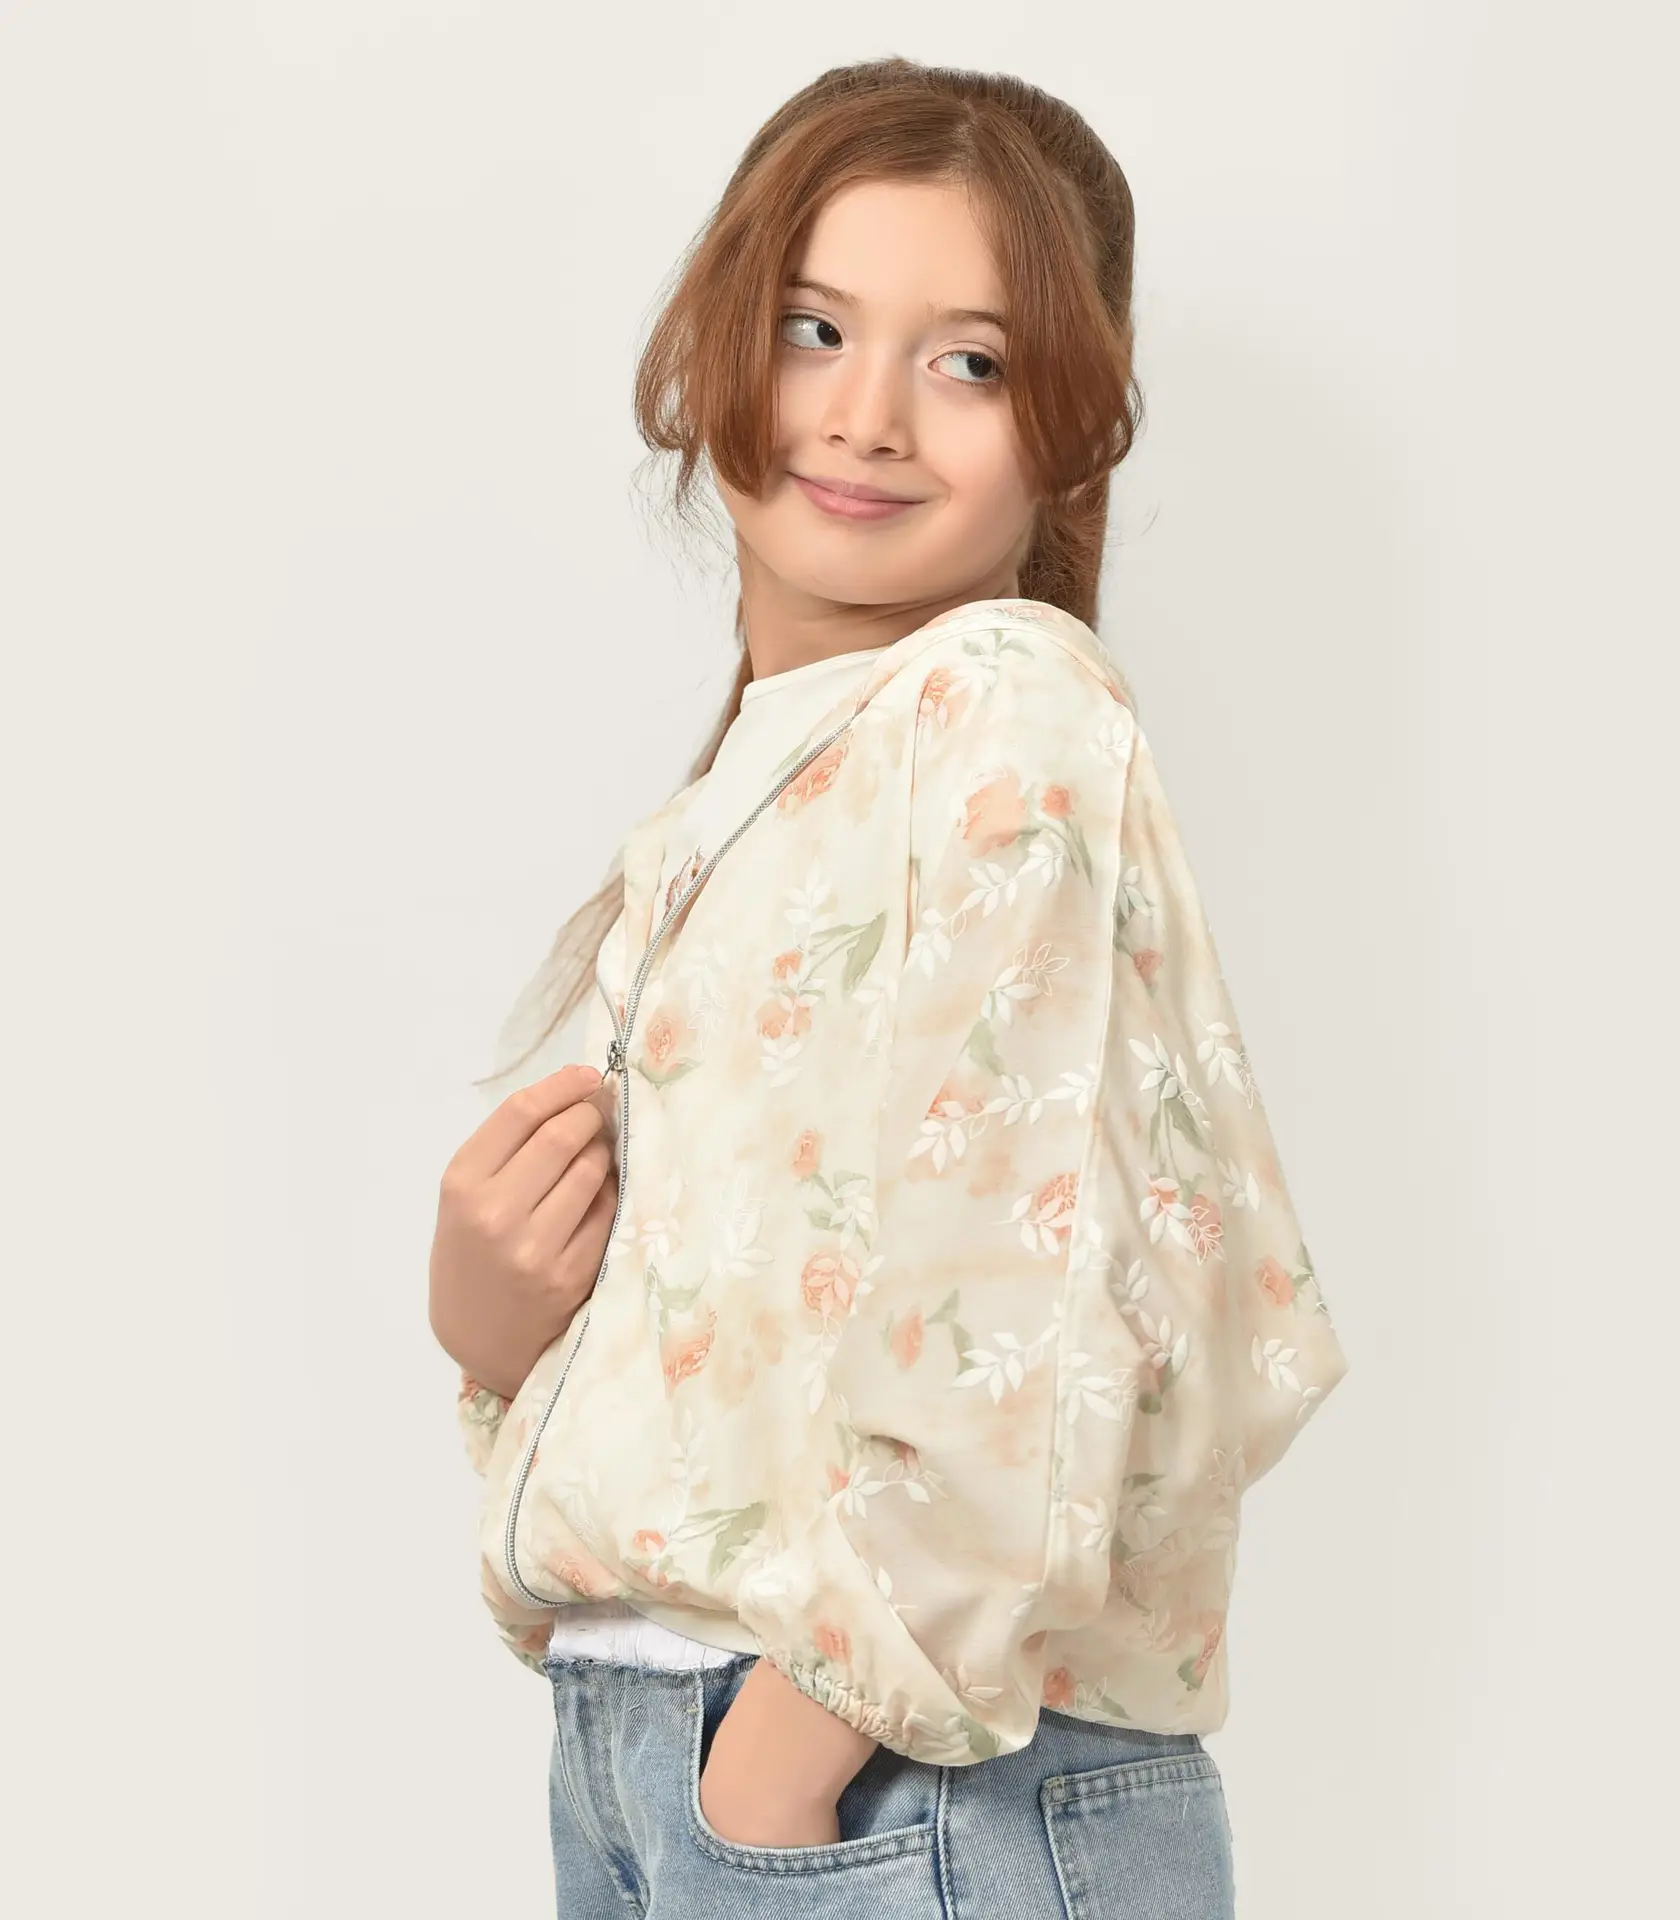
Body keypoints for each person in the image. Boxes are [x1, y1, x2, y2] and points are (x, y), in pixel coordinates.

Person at [428, 55, 1349, 1918]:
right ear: (714, 345)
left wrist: (790, 1760)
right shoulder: (756, 788)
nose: (864, 415)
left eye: (970, 362)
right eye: (814, 327)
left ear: (1068, 426)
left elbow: (1025, 1280)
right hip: (667, 1750)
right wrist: (494, 1334)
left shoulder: (1002, 708)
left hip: (892, 1787)